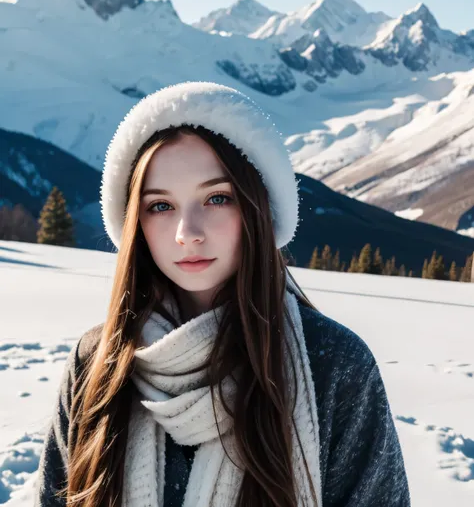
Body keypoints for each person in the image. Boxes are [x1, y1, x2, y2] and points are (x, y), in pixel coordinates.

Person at [34, 81, 411, 507]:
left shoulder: (335, 365)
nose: (187, 233)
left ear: (257, 207)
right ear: (135, 224)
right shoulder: (98, 363)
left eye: (216, 198)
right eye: (161, 206)